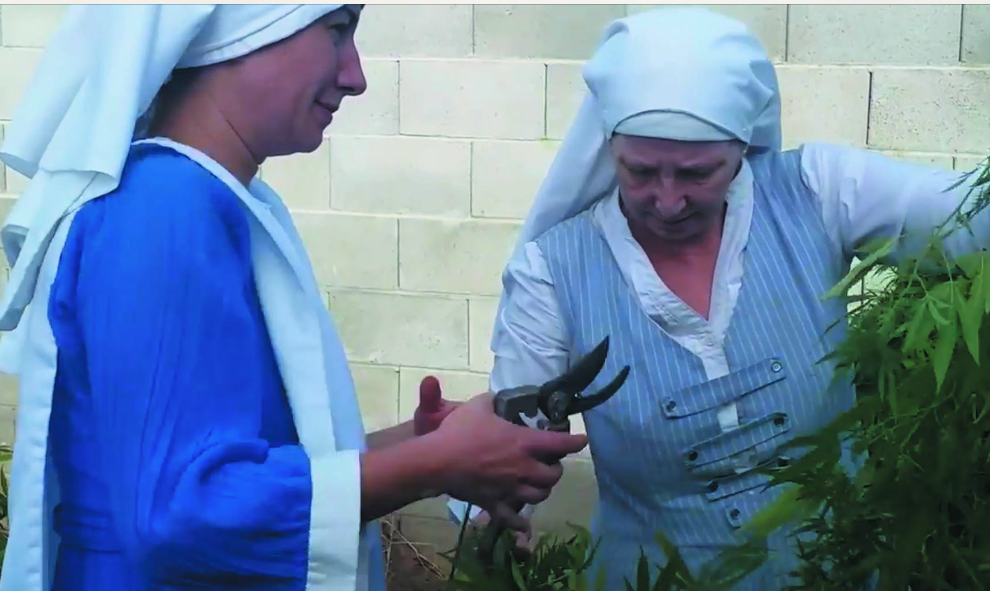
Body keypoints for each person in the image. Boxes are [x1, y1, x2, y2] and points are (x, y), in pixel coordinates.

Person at [0, 5, 588, 591]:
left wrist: (422, 444)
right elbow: (178, 512)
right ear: (242, 31)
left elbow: (232, 457)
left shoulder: (214, 200)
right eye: (337, 30)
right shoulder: (165, 208)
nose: (356, 76)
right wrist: (434, 464)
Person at [489, 7, 989, 590]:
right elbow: (510, 437)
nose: (668, 201)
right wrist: (505, 500)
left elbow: (971, 220)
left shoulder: (817, 192)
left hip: (839, 573)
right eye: (641, 171)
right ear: (608, 148)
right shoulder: (551, 270)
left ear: (741, 145)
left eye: (698, 173)